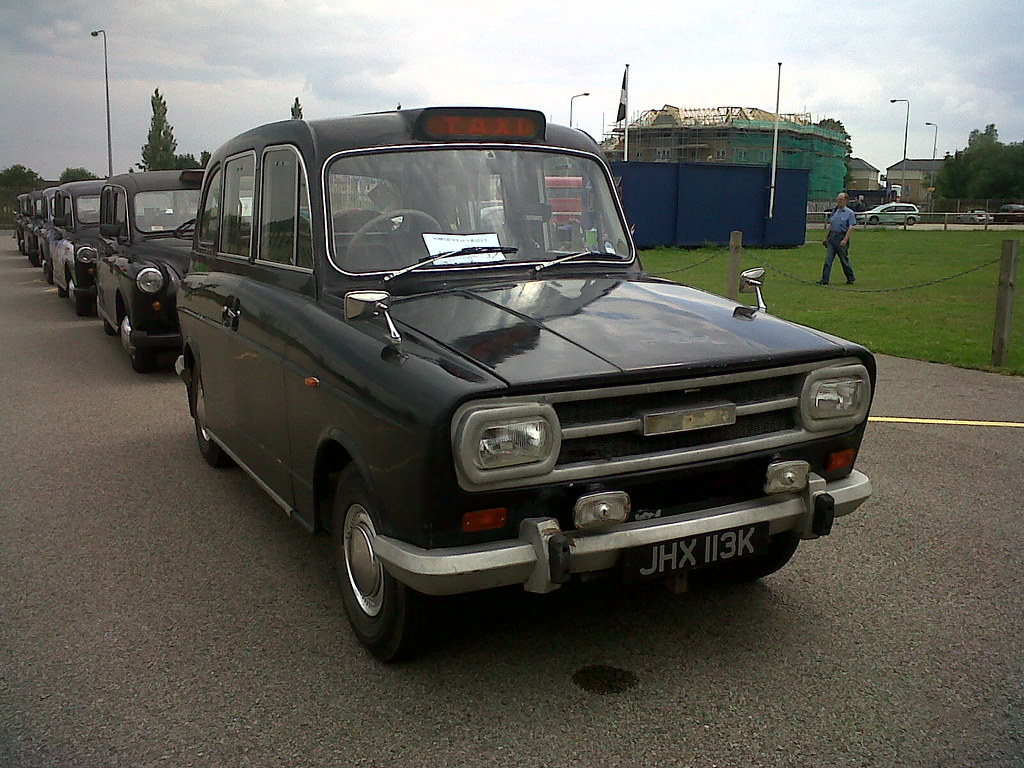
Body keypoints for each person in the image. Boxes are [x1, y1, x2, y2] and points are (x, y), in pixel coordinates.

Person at [818, 192, 856, 285]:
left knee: (843, 260)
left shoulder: (849, 213)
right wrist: (826, 238)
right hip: (832, 238)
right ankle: (825, 280)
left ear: (846, 201)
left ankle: (850, 278)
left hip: (841, 237)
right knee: (828, 260)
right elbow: (831, 226)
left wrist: (845, 240)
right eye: (838, 199)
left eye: (841, 200)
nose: (839, 202)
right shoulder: (834, 211)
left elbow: (851, 227)